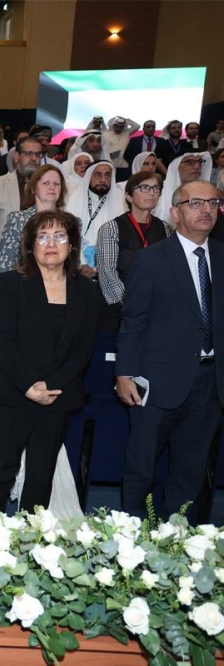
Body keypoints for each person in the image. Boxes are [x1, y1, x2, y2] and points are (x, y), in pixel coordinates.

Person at [116, 180, 224, 518]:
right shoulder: (151, 259)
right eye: (196, 203)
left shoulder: (221, 256)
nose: (207, 209)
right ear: (176, 213)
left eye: (213, 202)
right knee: (142, 467)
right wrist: (124, 372)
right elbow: (133, 321)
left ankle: (177, 537)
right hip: (157, 381)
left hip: (211, 382)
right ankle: (132, 533)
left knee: (191, 469)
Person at [0, 210, 100, 514]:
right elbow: (2, 342)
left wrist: (51, 385)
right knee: (0, 469)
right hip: (13, 390)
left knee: (41, 472)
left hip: (59, 394)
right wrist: (30, 386)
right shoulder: (11, 283)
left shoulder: (86, 289)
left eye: (59, 236)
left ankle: (30, 536)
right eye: (42, 237)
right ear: (31, 245)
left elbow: (83, 348)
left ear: (72, 244)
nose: (51, 244)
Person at [95, 172, 170, 321]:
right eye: (144, 187)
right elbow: (107, 272)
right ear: (129, 196)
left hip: (160, 307)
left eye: (155, 188)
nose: (151, 193)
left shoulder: (165, 228)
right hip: (124, 310)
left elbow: (170, 269)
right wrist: (132, 303)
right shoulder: (111, 228)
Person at [0, 164, 67, 274]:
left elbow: (74, 265)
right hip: (24, 281)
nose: (52, 187)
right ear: (33, 188)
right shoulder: (18, 220)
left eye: (56, 183)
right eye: (46, 183)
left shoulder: (69, 222)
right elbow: (4, 265)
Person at [64, 160, 125, 276]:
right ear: (89, 177)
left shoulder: (120, 203)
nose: (103, 180)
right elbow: (70, 234)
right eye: (98, 175)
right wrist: (81, 262)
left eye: (107, 175)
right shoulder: (75, 201)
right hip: (79, 264)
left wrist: (104, 267)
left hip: (111, 266)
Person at [154, 152, 212, 223]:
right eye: (190, 162)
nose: (197, 167)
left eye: (200, 162)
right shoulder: (158, 192)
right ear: (177, 166)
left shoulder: (210, 194)